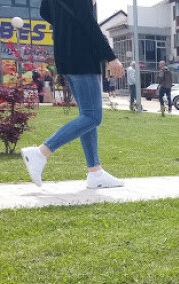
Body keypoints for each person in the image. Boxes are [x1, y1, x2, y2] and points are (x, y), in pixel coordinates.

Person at [22, 0, 125, 189]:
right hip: (82, 57)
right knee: (93, 116)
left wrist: (65, 27)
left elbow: (45, 11)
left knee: (86, 115)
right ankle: (40, 153)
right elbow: (88, 22)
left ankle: (96, 173)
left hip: (65, 56)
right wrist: (111, 57)